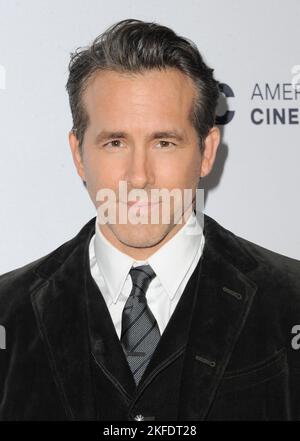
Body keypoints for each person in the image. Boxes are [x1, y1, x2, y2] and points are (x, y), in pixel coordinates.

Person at [0, 18, 300, 422]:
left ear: (207, 151)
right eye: (115, 142)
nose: (138, 176)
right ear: (78, 154)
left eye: (164, 142)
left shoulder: (290, 303)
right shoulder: (7, 312)